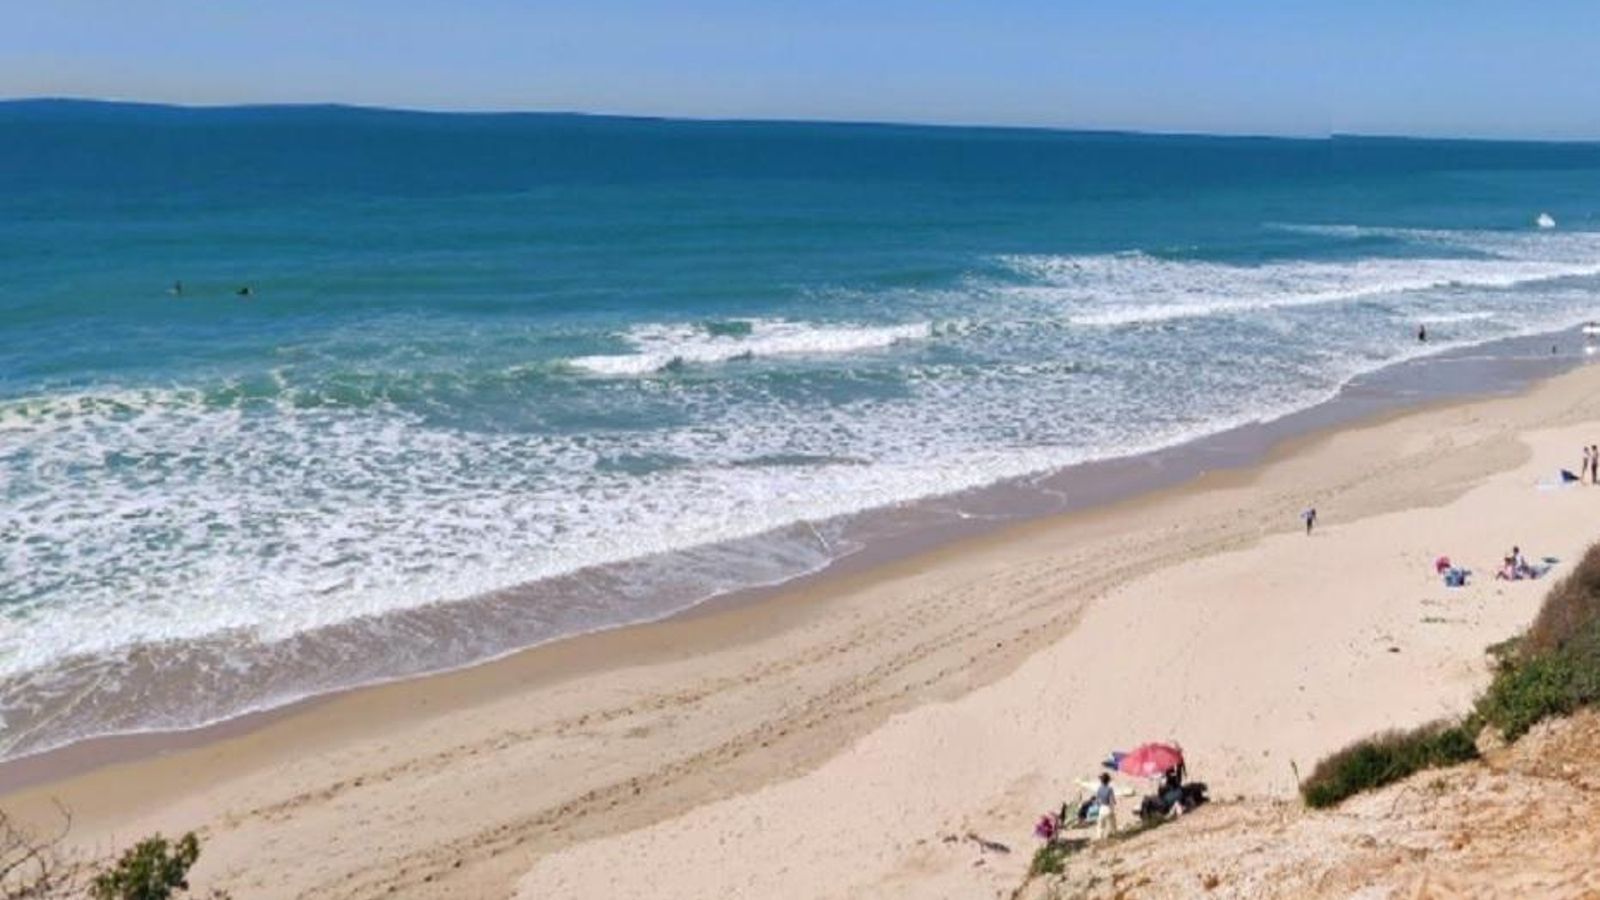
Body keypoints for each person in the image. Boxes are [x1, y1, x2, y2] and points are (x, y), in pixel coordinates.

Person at [1094, 772, 1118, 838]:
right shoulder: (1110, 789)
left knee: (1101, 826)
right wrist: (1114, 803)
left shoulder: (1099, 789)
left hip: (1102, 809)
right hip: (1108, 808)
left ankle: (1100, 838)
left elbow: (1097, 801)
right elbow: (1112, 800)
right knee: (1112, 824)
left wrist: (1098, 806)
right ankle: (1114, 836)